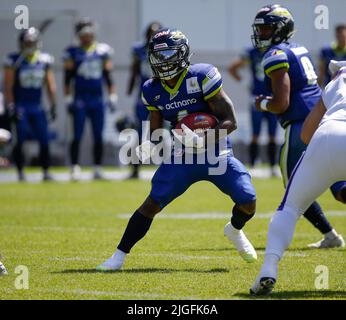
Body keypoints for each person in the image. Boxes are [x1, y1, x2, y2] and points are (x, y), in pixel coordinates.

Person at [97, 28, 258, 271]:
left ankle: (234, 230)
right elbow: (155, 131)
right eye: (157, 56)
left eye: (168, 54)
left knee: (248, 201)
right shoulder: (152, 89)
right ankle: (118, 257)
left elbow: (230, 121)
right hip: (183, 155)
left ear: (182, 54)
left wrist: (204, 140)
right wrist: (146, 144)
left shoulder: (202, 75)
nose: (162, 62)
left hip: (216, 152)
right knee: (152, 203)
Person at [251, 4, 345, 249]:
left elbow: (281, 104)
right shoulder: (297, 48)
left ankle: (330, 235)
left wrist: (262, 105)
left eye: (267, 29)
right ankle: (330, 235)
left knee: (293, 184)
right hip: (323, 117)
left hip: (301, 123)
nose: (261, 34)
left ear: (281, 29)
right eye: (259, 30)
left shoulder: (275, 55)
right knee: (339, 185)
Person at [250, 60, 346, 296]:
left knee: (290, 208)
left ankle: (269, 268)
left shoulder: (335, 84)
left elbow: (305, 134)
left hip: (327, 134)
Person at [63, 18, 117, 180]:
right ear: (79, 35)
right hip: (80, 99)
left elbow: (108, 77)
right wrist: (68, 97)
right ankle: (74, 167)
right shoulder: (72, 52)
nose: (87, 37)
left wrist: (112, 95)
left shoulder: (102, 51)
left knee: (98, 135)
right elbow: (67, 78)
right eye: (83, 34)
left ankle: (97, 167)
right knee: (77, 134)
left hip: (97, 99)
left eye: (89, 33)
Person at [3, 27, 57, 181]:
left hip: (37, 105)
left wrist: (53, 105)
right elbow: (8, 86)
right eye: (27, 42)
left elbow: (50, 85)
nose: (30, 44)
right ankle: (20, 172)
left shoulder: (44, 60)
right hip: (21, 105)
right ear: (21, 43)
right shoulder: (15, 60)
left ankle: (45, 171)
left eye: (32, 41)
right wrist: (11, 105)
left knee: (44, 139)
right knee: (19, 139)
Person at [228, 47, 278, 175]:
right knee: (256, 133)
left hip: (273, 96)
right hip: (256, 97)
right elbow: (232, 67)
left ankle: (273, 166)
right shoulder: (252, 53)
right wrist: (245, 83)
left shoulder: (276, 51)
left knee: (273, 134)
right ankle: (253, 164)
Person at [126, 22, 162, 179]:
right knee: (140, 132)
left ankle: (168, 166)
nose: (152, 36)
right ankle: (135, 168)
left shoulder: (164, 49)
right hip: (144, 95)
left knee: (165, 131)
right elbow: (134, 70)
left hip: (162, 95)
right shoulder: (139, 50)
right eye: (150, 33)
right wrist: (130, 87)